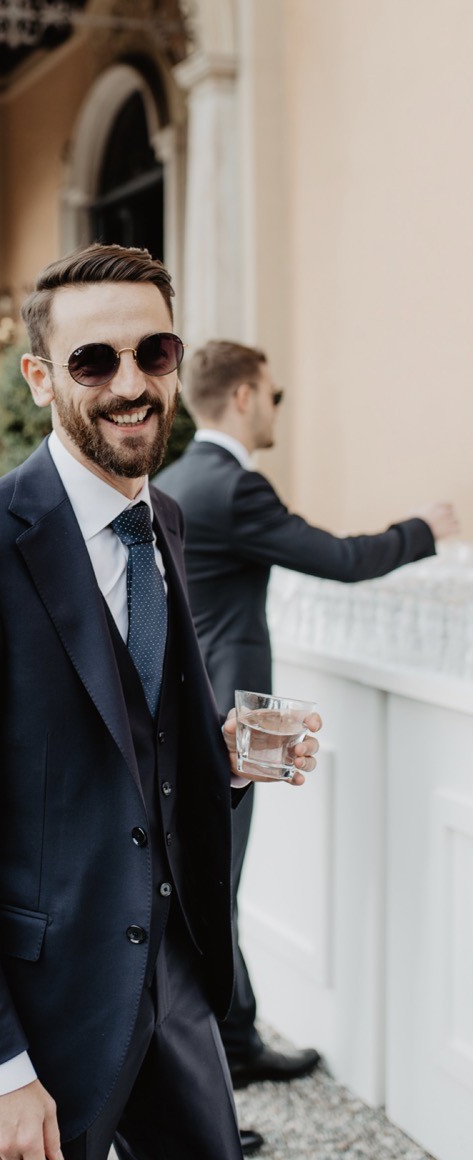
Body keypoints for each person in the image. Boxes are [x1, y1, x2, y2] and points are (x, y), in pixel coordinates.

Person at [0, 247, 321, 1160]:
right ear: (41, 376)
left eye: (153, 352)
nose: (131, 385)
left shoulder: (161, 515)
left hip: (173, 980)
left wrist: (229, 755)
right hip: (40, 1015)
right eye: (94, 362)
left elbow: (139, 736)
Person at [155, 339, 459, 1090]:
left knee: (211, 885)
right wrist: (426, 527)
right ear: (246, 396)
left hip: (194, 710)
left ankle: (235, 1039)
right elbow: (340, 558)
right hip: (234, 722)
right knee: (212, 890)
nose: (277, 409)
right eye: (275, 394)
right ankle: (208, 1068)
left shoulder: (175, 479)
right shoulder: (231, 487)